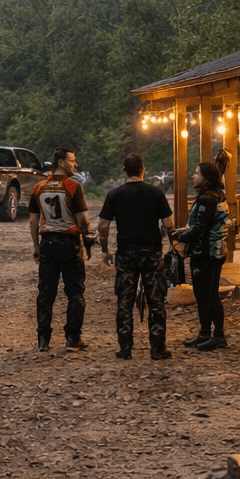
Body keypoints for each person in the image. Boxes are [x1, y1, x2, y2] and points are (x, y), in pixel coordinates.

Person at [97, 152, 173, 360]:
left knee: (124, 301)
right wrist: (161, 237)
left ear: (124, 171)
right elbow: (169, 224)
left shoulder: (114, 194)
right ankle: (158, 347)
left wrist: (105, 250)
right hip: (151, 252)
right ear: (143, 169)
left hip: (126, 253)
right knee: (156, 300)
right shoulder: (156, 193)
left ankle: (125, 348)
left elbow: (102, 225)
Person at [29, 147, 92, 351]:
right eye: (72, 161)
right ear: (62, 162)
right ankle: (73, 338)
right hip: (69, 244)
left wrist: (36, 246)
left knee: (46, 293)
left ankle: (43, 339)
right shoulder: (73, 186)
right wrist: (88, 236)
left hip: (47, 242)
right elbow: (83, 219)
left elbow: (33, 220)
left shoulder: (39, 187)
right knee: (75, 292)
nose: (75, 165)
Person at [173, 161, 229, 350]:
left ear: (206, 178)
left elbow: (199, 229)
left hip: (205, 252)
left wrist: (180, 237)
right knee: (208, 294)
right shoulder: (217, 196)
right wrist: (181, 232)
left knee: (207, 295)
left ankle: (217, 335)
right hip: (215, 250)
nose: (193, 176)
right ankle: (205, 333)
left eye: (197, 173)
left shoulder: (206, 199)